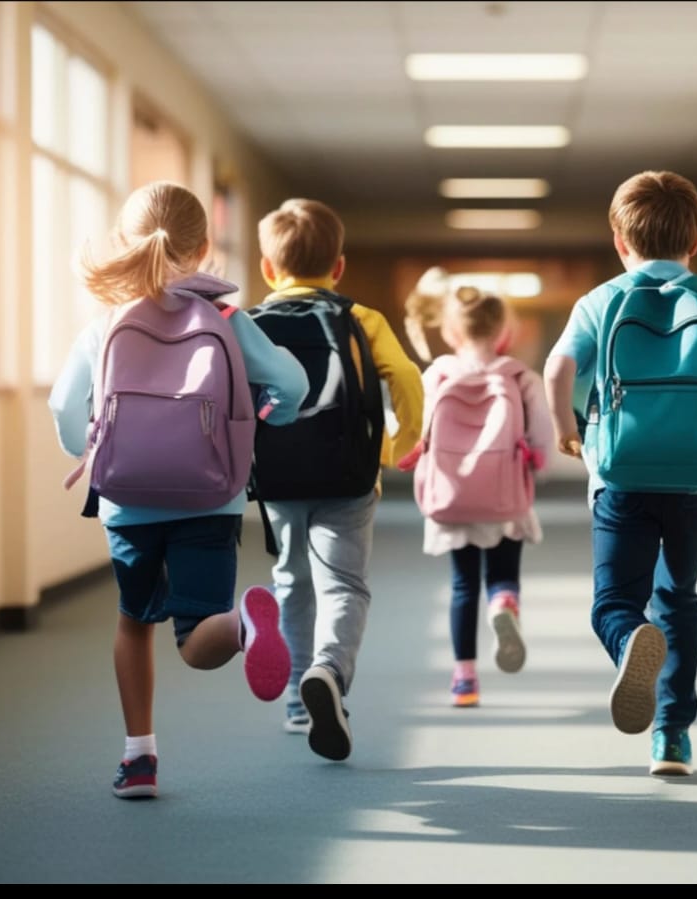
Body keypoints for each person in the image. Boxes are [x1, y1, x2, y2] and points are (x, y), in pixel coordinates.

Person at [49, 181, 308, 799]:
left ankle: (139, 758)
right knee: (197, 636)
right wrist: (259, 420)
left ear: (125, 243)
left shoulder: (105, 324)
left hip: (128, 500)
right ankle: (244, 624)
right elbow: (291, 385)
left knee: (133, 622)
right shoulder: (225, 318)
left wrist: (87, 446)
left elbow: (64, 406)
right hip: (210, 495)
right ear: (204, 246)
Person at [544, 171, 697, 776]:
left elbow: (556, 371)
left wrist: (566, 431)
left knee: (615, 601)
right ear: (695, 239)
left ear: (620, 241)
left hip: (620, 473)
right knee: (678, 598)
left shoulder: (600, 301)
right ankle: (672, 737)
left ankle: (628, 642)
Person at [249, 199, 424, 761]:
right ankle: (328, 671)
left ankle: (299, 701)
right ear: (339, 267)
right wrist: (398, 447)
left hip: (277, 476)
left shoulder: (247, 326)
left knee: (292, 581)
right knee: (344, 585)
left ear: (268, 269)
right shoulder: (360, 318)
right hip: (348, 474)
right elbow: (408, 379)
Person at [397, 286, 551, 707]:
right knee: (502, 574)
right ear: (504, 332)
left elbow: (411, 431)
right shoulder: (519, 376)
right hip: (504, 497)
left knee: (463, 585)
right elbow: (543, 442)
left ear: (450, 331)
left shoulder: (438, 375)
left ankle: (465, 679)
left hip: (452, 497)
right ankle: (503, 601)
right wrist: (535, 463)